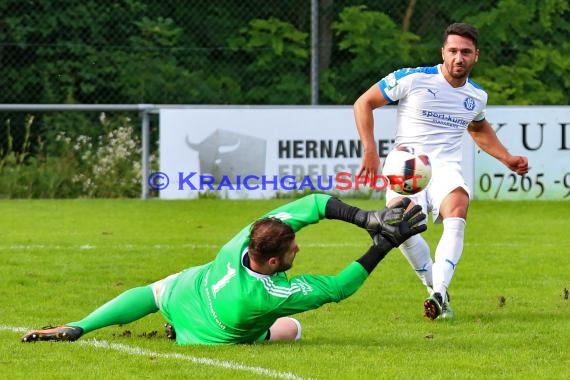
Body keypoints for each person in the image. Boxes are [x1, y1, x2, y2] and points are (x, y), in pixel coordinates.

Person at [21, 194, 425, 345]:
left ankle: (79, 326)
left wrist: (365, 217)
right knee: (292, 330)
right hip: (210, 336)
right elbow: (337, 287)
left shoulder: (245, 239)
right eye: (292, 249)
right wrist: (382, 245)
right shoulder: (266, 294)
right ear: (272, 262)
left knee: (155, 291)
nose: (298, 246)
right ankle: (180, 331)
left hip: (185, 292)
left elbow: (316, 204)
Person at [353, 23, 529, 320]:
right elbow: (364, 102)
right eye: (453, 51)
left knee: (458, 207)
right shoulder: (413, 78)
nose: (458, 58)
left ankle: (439, 291)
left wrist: (506, 157)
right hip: (407, 166)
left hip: (445, 167)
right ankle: (437, 291)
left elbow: (478, 127)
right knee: (401, 229)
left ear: (476, 56)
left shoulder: (476, 96)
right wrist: (370, 149)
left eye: (465, 52)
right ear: (443, 52)